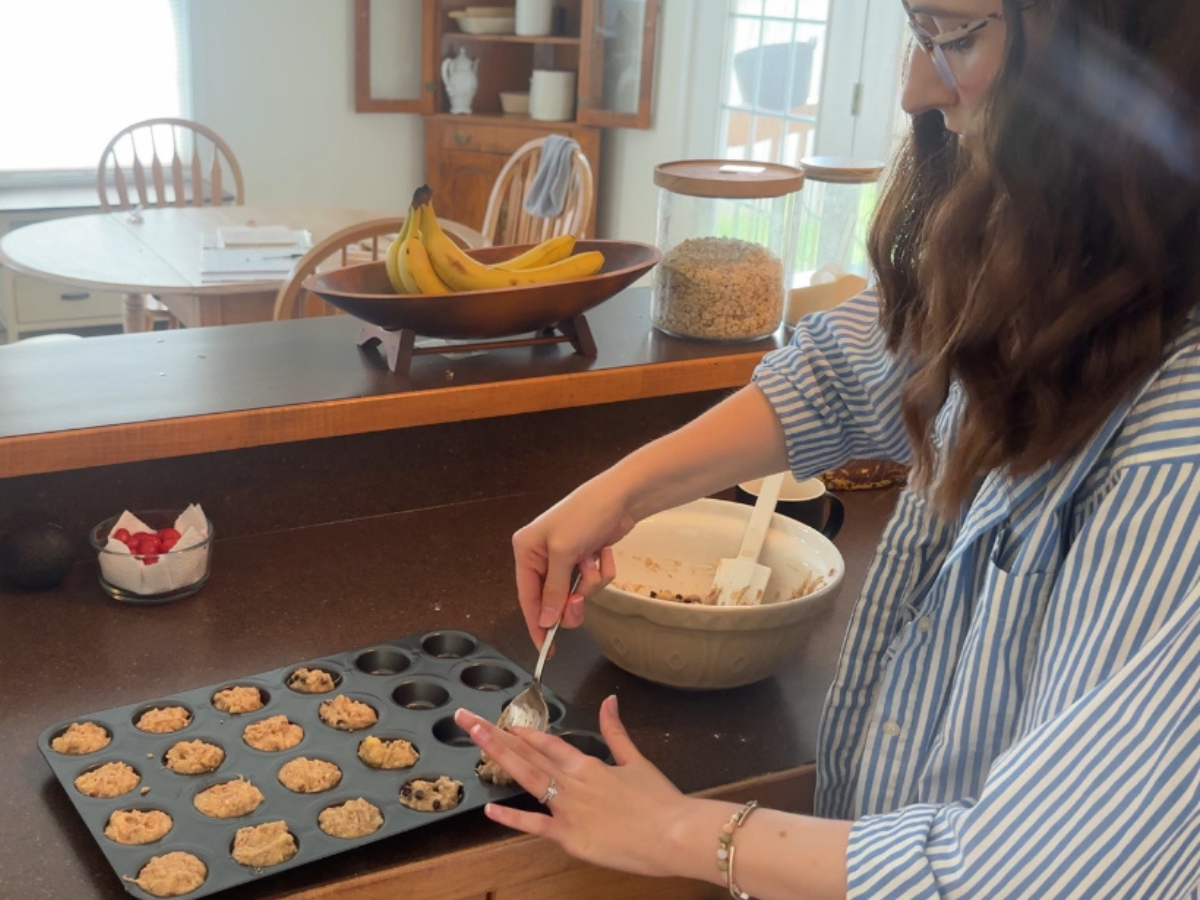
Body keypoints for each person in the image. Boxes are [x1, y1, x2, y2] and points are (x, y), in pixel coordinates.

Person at [453, 0, 1200, 896]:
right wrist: (625, 489)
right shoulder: (1071, 271)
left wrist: (680, 831)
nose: (920, 88)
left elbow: (1034, 874)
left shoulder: (1173, 460)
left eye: (957, 36)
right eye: (917, 35)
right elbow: (859, 364)